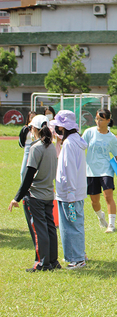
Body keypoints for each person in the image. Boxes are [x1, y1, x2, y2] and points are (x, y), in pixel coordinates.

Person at [8, 115, 59, 272]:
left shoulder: (36, 148)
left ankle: (42, 263)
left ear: (34, 130)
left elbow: (29, 177)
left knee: (39, 229)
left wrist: (16, 197)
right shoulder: (51, 146)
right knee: (50, 227)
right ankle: (52, 261)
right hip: (48, 193)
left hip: (35, 195)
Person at [50, 110, 88, 269]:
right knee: (74, 223)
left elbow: (69, 169)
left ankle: (77, 258)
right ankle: (77, 254)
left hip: (69, 194)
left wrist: (70, 192)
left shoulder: (69, 144)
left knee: (70, 225)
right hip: (74, 192)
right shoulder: (76, 141)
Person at [82, 109, 117, 233]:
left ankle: (111, 225)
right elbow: (80, 147)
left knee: (108, 196)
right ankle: (101, 217)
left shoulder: (111, 138)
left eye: (101, 119)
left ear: (108, 121)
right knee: (94, 201)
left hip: (106, 170)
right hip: (90, 170)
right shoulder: (89, 132)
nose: (98, 122)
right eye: (97, 119)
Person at [18, 111, 37, 182]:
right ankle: (24, 189)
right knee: (23, 172)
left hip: (36, 150)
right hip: (27, 150)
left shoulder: (38, 129)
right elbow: (21, 141)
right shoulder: (25, 128)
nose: (33, 119)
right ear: (28, 118)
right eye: (31, 117)